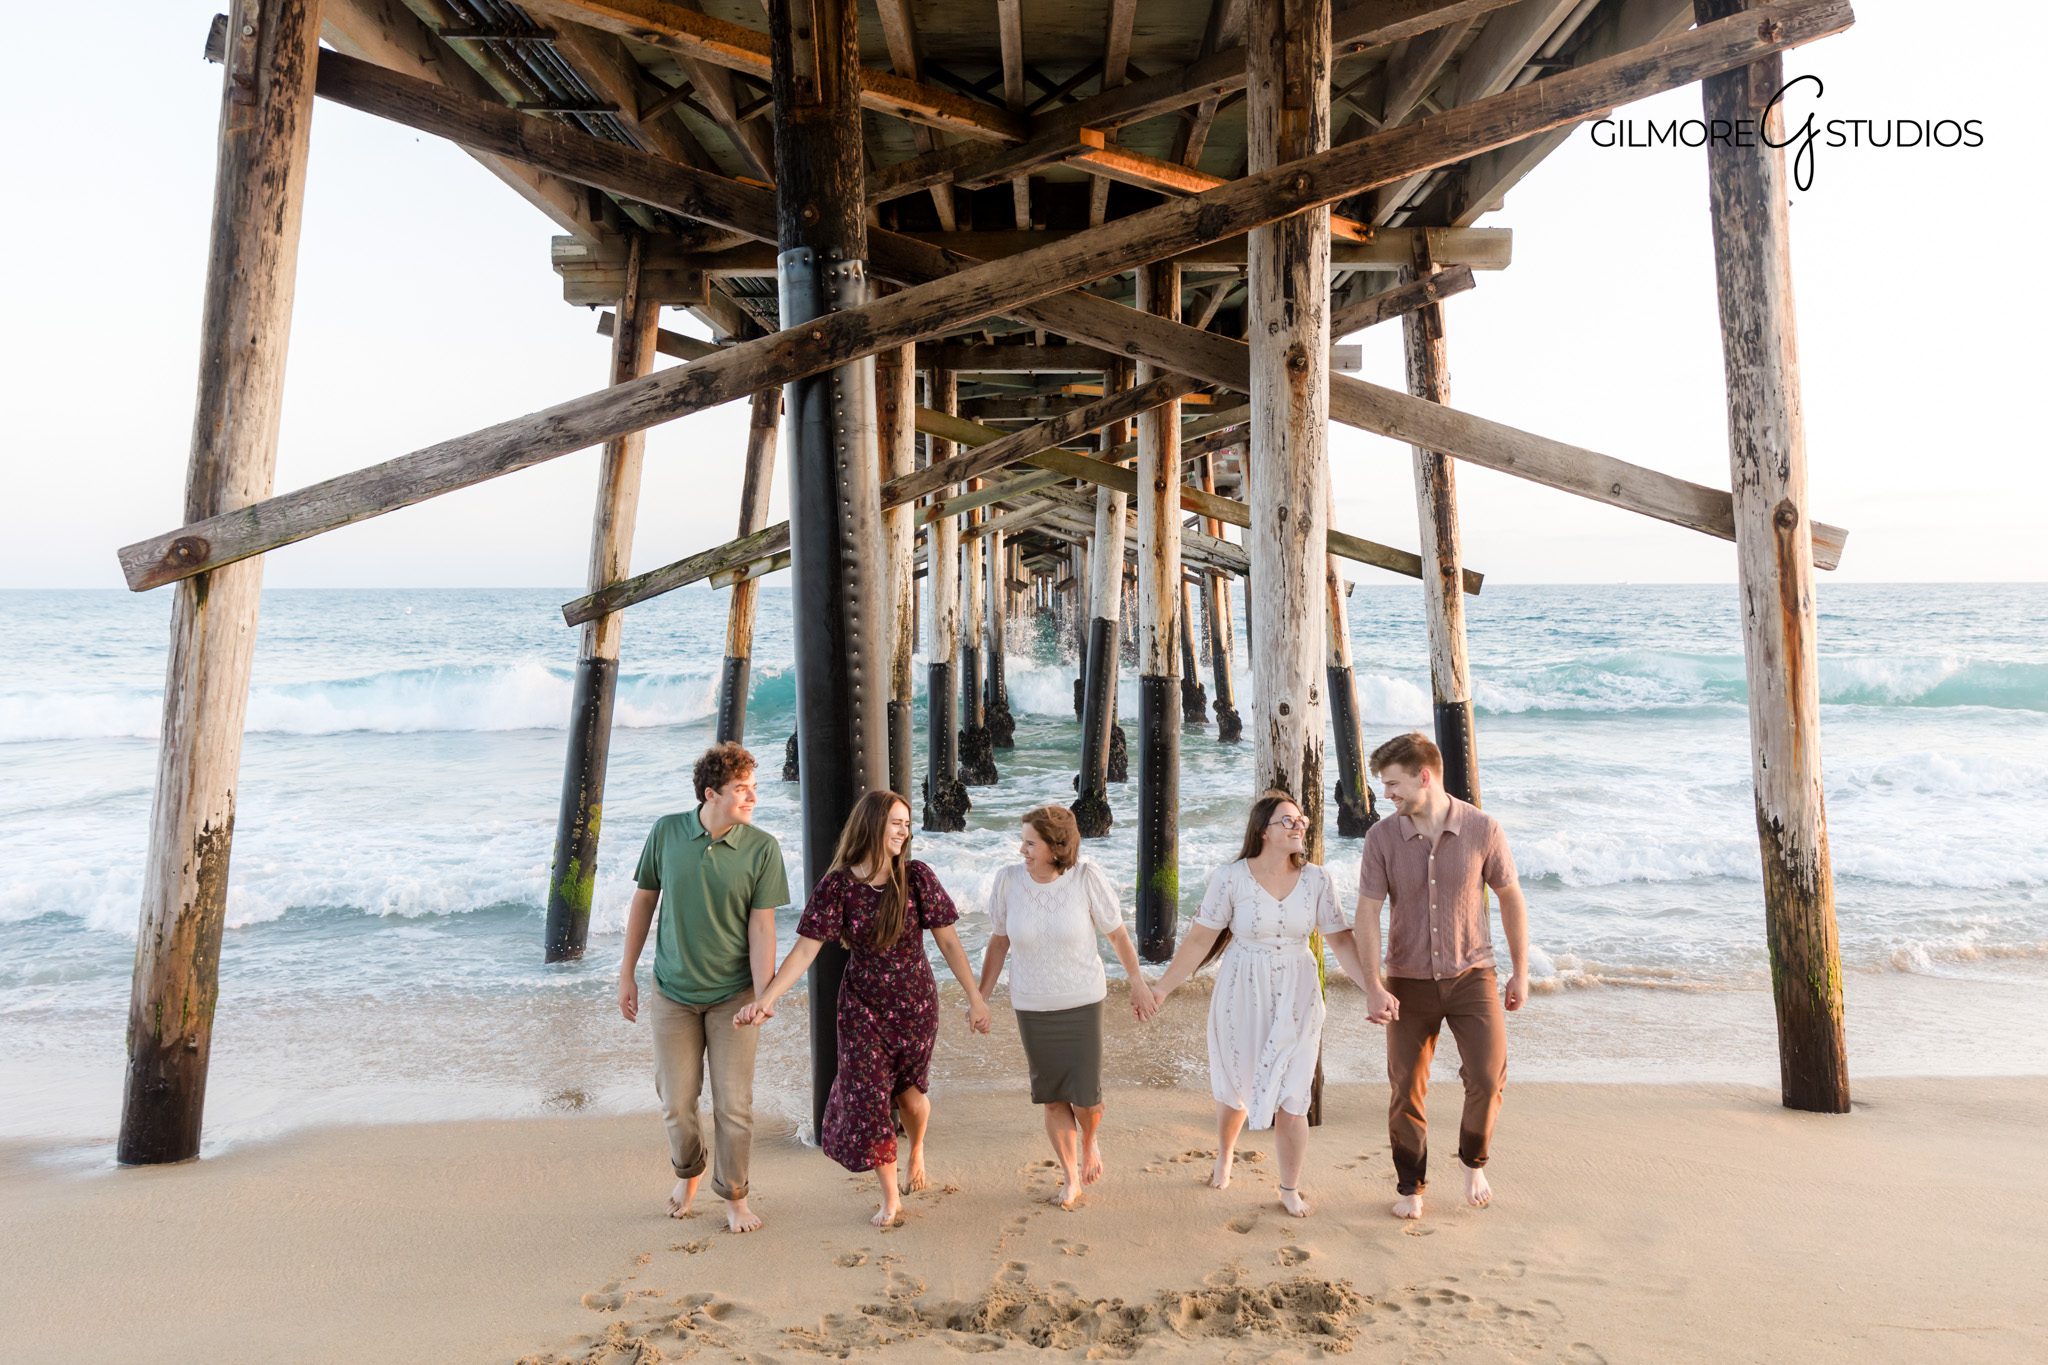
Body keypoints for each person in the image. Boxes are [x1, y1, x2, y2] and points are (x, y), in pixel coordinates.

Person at [737, 791, 992, 1227]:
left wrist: (975, 996)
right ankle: (890, 1197)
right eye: (896, 822)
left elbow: (948, 941)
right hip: (861, 1007)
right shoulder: (838, 886)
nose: (904, 831)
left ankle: (918, 1149)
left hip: (915, 1006)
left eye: (907, 825)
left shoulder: (916, 878)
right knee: (869, 1098)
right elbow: (805, 951)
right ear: (873, 824)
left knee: (911, 1098)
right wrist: (767, 998)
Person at [1146, 791, 1373, 1218]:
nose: (1299, 826)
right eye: (1288, 821)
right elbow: (1199, 940)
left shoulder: (1318, 880)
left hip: (1299, 992)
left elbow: (1341, 940)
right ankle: (1226, 1153)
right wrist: (1163, 988)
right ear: (1263, 831)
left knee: (1294, 1092)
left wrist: (1372, 990)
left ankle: (1289, 1187)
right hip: (1241, 989)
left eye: (1301, 820)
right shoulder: (1230, 878)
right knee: (1236, 1083)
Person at [1355, 731, 1530, 1221]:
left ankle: (1473, 1161)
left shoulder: (1483, 829)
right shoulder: (1381, 839)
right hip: (1407, 981)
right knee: (1406, 1087)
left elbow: (1511, 897)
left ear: (1423, 776)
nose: (1386, 794)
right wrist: (1373, 984)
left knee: (1488, 1075)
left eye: (1393, 784)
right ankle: (1411, 1186)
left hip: (1473, 975)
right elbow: (1367, 913)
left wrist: (1519, 972)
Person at [617, 742, 790, 1234]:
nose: (752, 798)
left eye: (754, 789)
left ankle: (734, 1196)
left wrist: (763, 995)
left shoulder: (762, 849)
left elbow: (763, 928)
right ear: (711, 793)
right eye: (742, 789)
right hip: (672, 991)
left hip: (733, 996)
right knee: (676, 1101)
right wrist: (626, 972)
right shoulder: (667, 832)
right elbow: (644, 901)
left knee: (734, 1104)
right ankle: (689, 1172)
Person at [975, 805, 1158, 1208]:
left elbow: (1118, 936)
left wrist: (1138, 984)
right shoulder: (1008, 882)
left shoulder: (1085, 877)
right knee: (1053, 1095)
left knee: (1087, 1098)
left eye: (1030, 842)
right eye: (1022, 841)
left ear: (1056, 847)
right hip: (1031, 1004)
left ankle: (1090, 1142)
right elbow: (999, 942)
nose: (1022, 849)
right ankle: (1070, 1175)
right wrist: (979, 998)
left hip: (1081, 1001)